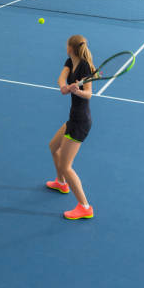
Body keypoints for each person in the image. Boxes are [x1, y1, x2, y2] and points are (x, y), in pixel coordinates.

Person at [46, 35, 95, 220]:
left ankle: (85, 206)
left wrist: (78, 91)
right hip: (72, 119)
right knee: (53, 147)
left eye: (66, 44)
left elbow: (89, 94)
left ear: (70, 48)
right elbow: (61, 78)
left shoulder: (85, 67)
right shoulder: (70, 61)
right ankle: (61, 183)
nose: (65, 46)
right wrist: (64, 87)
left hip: (80, 122)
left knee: (67, 166)